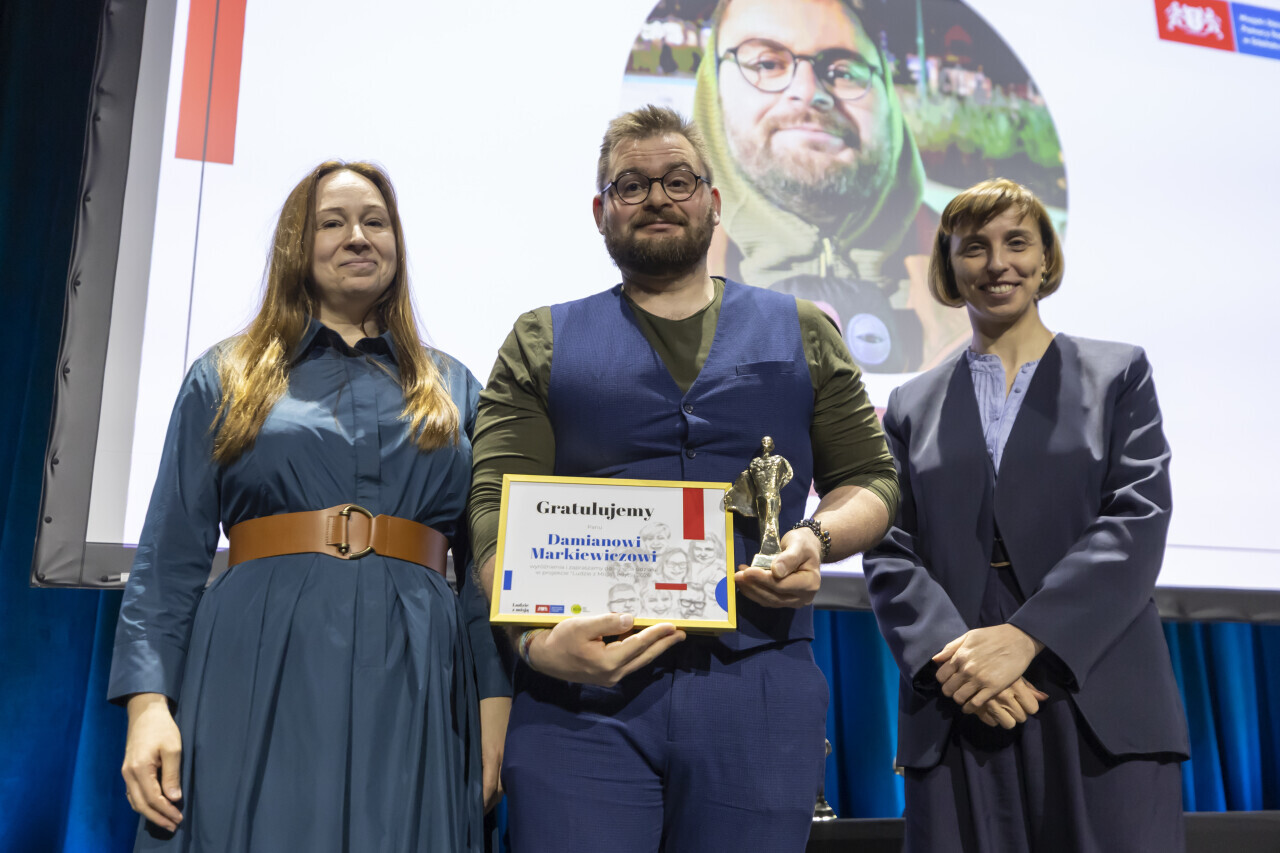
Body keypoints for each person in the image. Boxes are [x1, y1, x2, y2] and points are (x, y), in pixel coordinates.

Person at [468, 104, 899, 852]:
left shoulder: (802, 328)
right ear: (600, 212)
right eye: (631, 186)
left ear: (714, 201)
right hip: (581, 699)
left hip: (759, 685)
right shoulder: (539, 340)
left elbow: (872, 479)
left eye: (678, 181)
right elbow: (492, 509)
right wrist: (535, 643)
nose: (657, 199)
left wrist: (816, 539)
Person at [107, 162, 506, 852]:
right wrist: (148, 708)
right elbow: (169, 559)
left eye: (375, 221)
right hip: (256, 655)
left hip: (417, 669)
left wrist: (495, 711)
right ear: (298, 242)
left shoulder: (454, 387)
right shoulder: (225, 375)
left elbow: (481, 574)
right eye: (332, 222)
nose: (358, 236)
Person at [862, 178, 1189, 852]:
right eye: (973, 248)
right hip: (956, 686)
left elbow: (1137, 517)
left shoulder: (1117, 373)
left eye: (1016, 243)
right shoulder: (909, 404)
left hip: (1094, 673)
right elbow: (889, 548)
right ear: (948, 266)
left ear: (1045, 259)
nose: (997, 263)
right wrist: (957, 663)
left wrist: (1027, 638)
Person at [693, 0, 969, 372]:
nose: (809, 91)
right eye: (767, 64)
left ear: (888, 99)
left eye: (843, 71)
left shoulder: (983, 285)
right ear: (712, 92)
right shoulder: (653, 294)